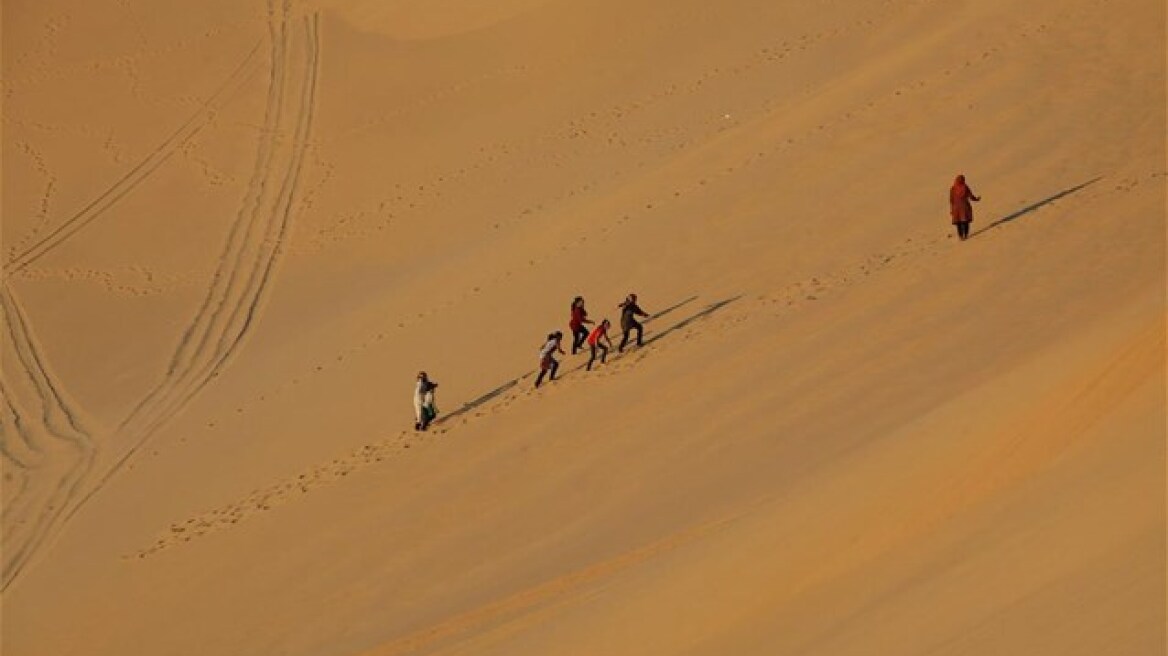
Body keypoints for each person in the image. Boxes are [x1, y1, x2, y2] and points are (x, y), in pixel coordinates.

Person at [950, 174, 981, 241]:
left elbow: (951, 200)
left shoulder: (953, 188)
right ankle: (966, 235)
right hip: (965, 207)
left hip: (956, 208)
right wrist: (976, 199)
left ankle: (961, 236)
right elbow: (971, 196)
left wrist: (952, 209)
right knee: (965, 221)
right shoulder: (965, 187)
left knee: (958, 223)